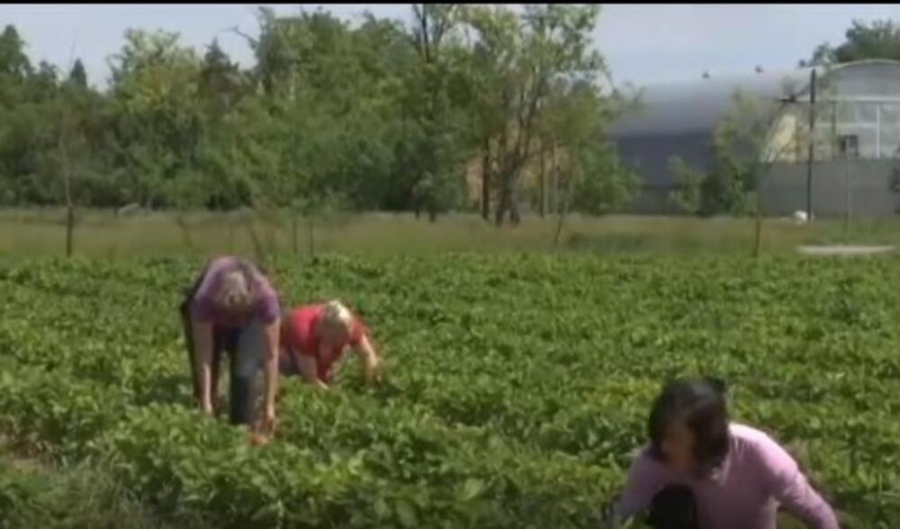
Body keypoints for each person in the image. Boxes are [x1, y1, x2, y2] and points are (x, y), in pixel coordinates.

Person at [608, 377, 840, 529]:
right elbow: (626, 516)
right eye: (660, 435)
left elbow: (816, 512)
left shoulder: (757, 451)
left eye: (675, 438)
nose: (665, 447)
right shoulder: (653, 460)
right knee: (671, 505)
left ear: (705, 435)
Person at [179, 256, 281, 431]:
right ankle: (207, 422)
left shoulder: (266, 299)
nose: (235, 319)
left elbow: (271, 356)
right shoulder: (204, 299)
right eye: (231, 312)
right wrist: (206, 402)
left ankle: (241, 430)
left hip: (249, 323)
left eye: (241, 312)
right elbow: (204, 357)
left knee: (245, 374)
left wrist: (269, 406)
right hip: (211, 321)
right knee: (205, 388)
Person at [279, 300, 382, 389]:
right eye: (342, 336)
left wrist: (370, 382)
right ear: (328, 331)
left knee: (329, 369)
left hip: (320, 346)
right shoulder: (304, 333)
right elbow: (311, 379)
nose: (347, 338)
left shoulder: (348, 326)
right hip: (289, 352)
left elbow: (367, 355)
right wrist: (335, 398)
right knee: (289, 367)